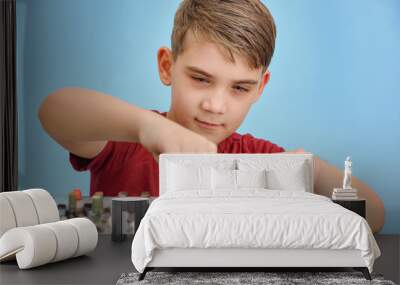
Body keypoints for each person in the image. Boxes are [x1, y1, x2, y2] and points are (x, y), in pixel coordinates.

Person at [38, 0, 384, 233]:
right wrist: (145, 126)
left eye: (240, 88)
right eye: (201, 79)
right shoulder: (126, 142)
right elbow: (55, 110)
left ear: (260, 88)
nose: (216, 106)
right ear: (166, 66)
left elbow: (375, 217)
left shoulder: (260, 158)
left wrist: (314, 168)